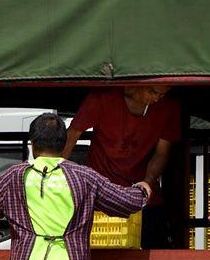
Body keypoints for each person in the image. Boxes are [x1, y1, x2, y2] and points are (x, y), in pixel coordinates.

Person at [0, 113, 150, 260]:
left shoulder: (14, 175)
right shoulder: (83, 176)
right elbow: (126, 202)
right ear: (63, 144)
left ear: (33, 144)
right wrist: (143, 189)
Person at [62, 86, 180, 247]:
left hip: (141, 194)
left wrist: (148, 181)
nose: (157, 98)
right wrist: (57, 171)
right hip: (100, 191)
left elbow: (161, 153)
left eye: (162, 94)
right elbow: (72, 134)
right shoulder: (103, 98)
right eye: (153, 92)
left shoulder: (168, 107)